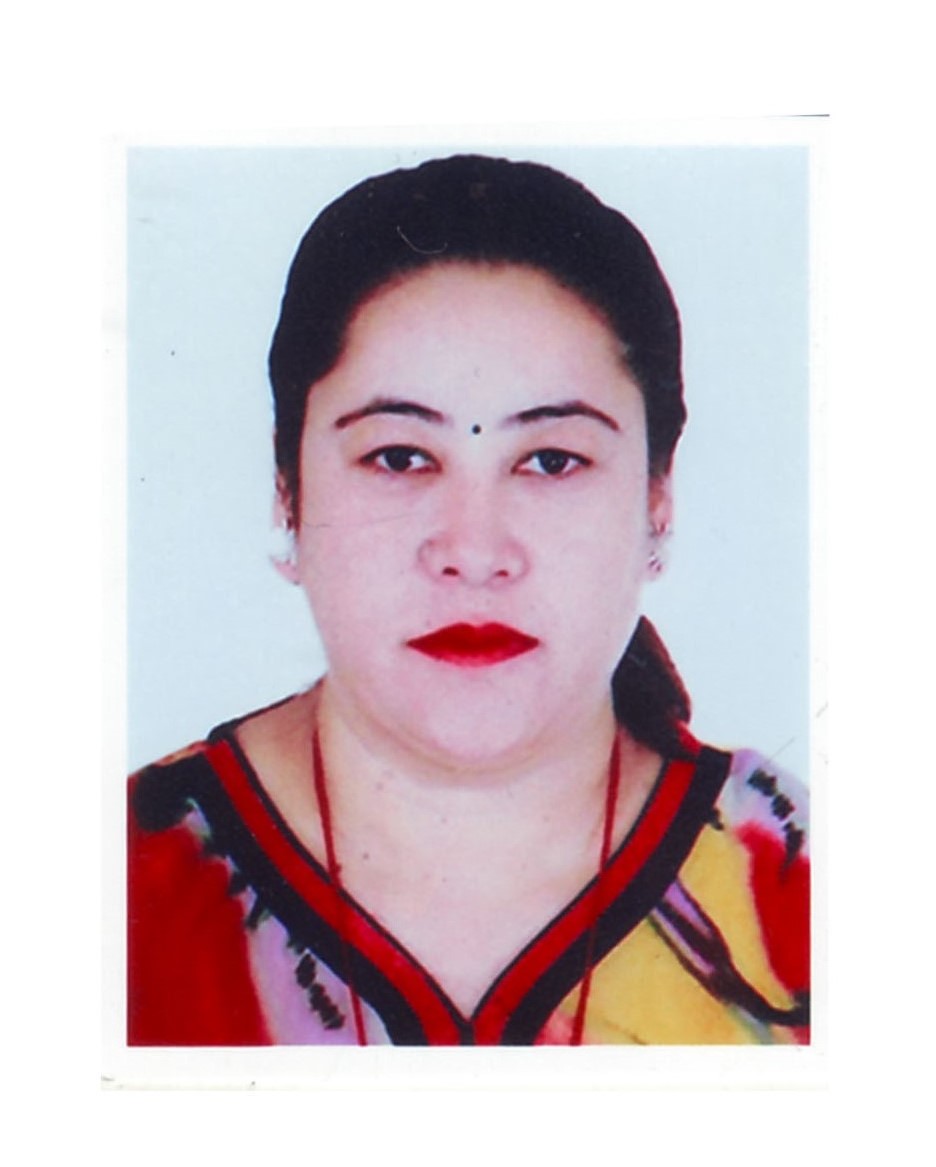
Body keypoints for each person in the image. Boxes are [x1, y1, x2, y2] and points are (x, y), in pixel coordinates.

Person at [128, 154, 809, 1046]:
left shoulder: (803, 893)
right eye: (400, 457)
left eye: (552, 461)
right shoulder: (112, 891)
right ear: (287, 493)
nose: (474, 552)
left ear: (657, 500)